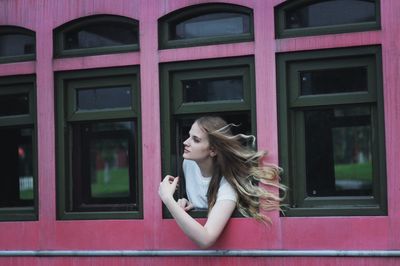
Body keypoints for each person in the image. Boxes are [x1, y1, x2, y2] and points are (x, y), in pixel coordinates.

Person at [158, 116, 285, 248]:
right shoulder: (188, 164)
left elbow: (206, 239)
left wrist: (168, 199)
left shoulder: (228, 186)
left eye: (195, 140)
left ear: (212, 150)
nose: (185, 142)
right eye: (189, 136)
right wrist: (190, 205)